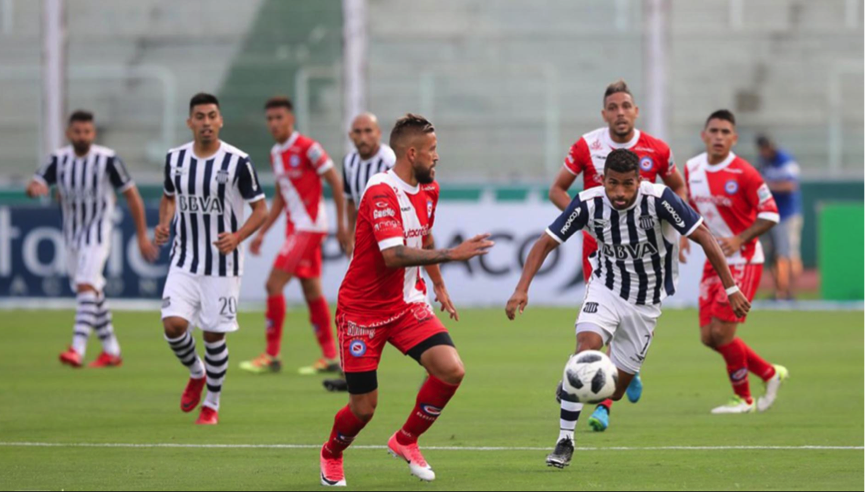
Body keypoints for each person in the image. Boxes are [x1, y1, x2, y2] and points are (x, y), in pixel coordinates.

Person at [505, 148, 749, 469]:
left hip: (646, 302)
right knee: (586, 350)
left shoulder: (659, 199)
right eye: (612, 183)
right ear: (603, 180)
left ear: (640, 181)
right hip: (605, 287)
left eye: (627, 184)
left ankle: (591, 381)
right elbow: (546, 242)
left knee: (614, 391)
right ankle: (565, 440)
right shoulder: (588, 203)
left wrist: (731, 288)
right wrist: (522, 288)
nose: (619, 193)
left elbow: (703, 235)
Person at [318, 114, 493, 486]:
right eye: (432, 150)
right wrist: (453, 254)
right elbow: (393, 255)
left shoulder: (430, 189)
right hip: (361, 312)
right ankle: (332, 452)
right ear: (411, 153)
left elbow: (423, 237)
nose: (437, 157)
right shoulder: (381, 191)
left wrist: (439, 286)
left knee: (451, 369)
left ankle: (406, 439)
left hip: (405, 305)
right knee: (363, 409)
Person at [547, 79, 689, 432]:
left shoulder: (656, 149)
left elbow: (679, 188)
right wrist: (588, 222)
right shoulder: (586, 145)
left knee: (632, 325)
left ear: (635, 111)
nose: (620, 113)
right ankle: (591, 385)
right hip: (601, 254)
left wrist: (679, 233)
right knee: (594, 331)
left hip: (646, 258)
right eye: (613, 107)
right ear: (604, 113)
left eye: (626, 106)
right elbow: (557, 190)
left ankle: (622, 372)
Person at [155, 93, 267, 425]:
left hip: (223, 264)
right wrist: (164, 223)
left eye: (212, 116)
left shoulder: (238, 162)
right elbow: (168, 197)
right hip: (184, 259)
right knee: (173, 325)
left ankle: (212, 404)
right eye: (200, 117)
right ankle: (196, 372)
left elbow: (262, 209)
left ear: (220, 121)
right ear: (190, 122)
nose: (206, 122)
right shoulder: (175, 159)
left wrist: (237, 237)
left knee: (214, 335)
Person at [26, 110, 157, 368]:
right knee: (91, 291)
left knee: (86, 284)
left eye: (87, 132)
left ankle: (77, 348)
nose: (82, 136)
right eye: (77, 131)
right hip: (71, 235)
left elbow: (132, 196)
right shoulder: (58, 159)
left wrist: (142, 235)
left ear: (93, 133)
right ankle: (111, 350)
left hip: (98, 233)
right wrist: (35, 189)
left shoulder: (108, 160)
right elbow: (34, 183)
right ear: (68, 133)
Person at [682, 112, 788, 414]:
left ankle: (744, 398)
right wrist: (683, 236)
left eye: (725, 131)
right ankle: (769, 373)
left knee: (723, 334)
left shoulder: (745, 173)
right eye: (713, 130)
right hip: (713, 260)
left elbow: (770, 214)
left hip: (744, 259)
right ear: (704, 135)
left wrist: (740, 238)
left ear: (734, 138)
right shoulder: (692, 168)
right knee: (707, 337)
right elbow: (688, 206)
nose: (718, 136)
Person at [240, 96, 349, 376]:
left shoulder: (309, 149)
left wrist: (343, 224)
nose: (274, 123)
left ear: (291, 119)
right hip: (295, 228)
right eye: (270, 119)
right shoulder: (276, 154)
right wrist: (262, 231)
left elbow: (336, 183)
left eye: (279, 118)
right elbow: (280, 197)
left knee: (273, 284)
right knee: (311, 290)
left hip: (309, 228)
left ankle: (272, 355)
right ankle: (330, 356)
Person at [322, 112, 396, 393]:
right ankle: (350, 372)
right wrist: (346, 230)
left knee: (411, 306)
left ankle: (436, 363)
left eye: (368, 131)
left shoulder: (390, 161)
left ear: (378, 133)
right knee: (351, 307)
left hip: (393, 245)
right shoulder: (350, 161)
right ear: (351, 135)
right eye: (357, 132)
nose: (362, 137)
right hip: (366, 247)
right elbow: (350, 200)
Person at [756, 135, 803, 300]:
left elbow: (791, 185)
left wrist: (769, 185)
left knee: (787, 254)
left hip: (787, 214)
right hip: (771, 215)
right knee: (775, 255)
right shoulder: (763, 161)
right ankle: (780, 290)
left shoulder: (785, 160)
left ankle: (789, 290)